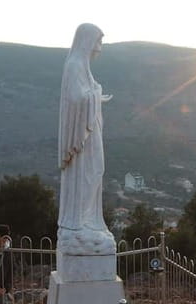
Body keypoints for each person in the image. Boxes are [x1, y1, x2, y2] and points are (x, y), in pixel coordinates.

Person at [56, 23, 116, 256]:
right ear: (87, 41)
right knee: (88, 173)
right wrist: (96, 94)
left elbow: (84, 96)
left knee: (97, 171)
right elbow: (74, 99)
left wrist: (96, 96)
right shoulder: (74, 65)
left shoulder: (83, 67)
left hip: (91, 131)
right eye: (98, 41)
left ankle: (90, 219)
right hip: (83, 137)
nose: (100, 47)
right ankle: (79, 221)